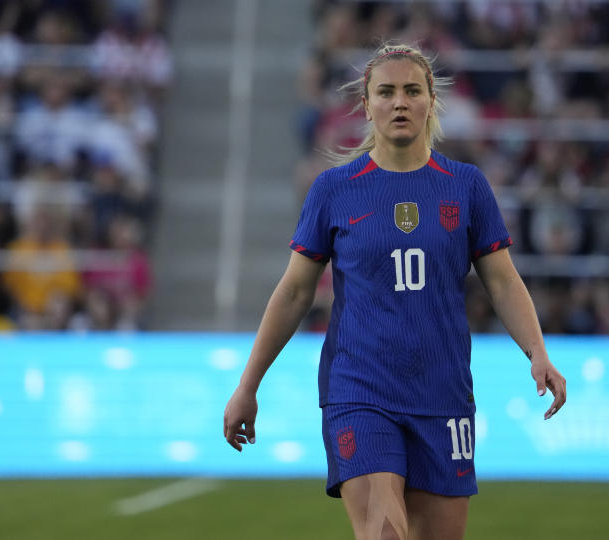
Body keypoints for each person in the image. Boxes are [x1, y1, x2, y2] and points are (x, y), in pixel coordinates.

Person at [223, 43, 566, 540]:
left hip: (442, 392)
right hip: (360, 390)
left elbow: (502, 279)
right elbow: (295, 292)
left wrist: (537, 352)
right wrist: (248, 385)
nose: (399, 102)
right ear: (366, 105)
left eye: (412, 91)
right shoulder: (334, 190)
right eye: (386, 92)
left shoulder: (466, 187)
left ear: (432, 102)